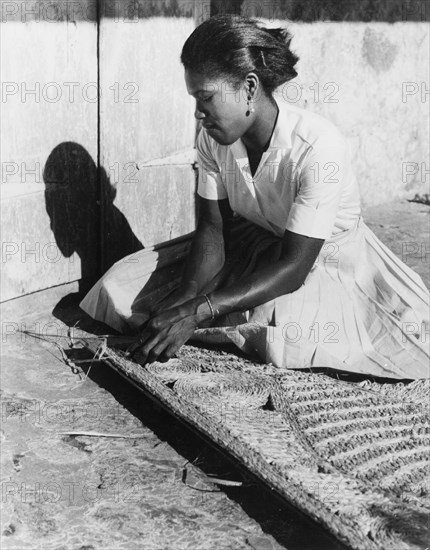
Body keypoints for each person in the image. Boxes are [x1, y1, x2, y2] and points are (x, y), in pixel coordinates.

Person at [80, 15, 429, 380]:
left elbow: (294, 267)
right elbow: (213, 232)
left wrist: (200, 309)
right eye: (194, 99)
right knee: (117, 288)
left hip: (321, 261)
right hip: (251, 246)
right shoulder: (212, 139)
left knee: (283, 332)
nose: (199, 113)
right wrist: (184, 301)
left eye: (206, 98)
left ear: (249, 88)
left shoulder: (317, 148)